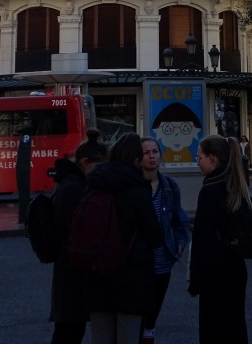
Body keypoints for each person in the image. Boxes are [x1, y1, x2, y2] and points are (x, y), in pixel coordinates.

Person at [83, 132, 163, 344]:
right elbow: (155, 237)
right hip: (131, 278)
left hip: (97, 273)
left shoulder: (94, 184)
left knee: (100, 337)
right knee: (128, 337)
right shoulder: (137, 190)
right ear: (137, 159)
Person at [189, 135, 252, 344]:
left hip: (215, 272)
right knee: (235, 325)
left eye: (199, 157)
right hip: (236, 267)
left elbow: (203, 242)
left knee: (213, 330)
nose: (197, 161)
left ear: (212, 158)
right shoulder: (234, 184)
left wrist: (196, 280)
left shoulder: (209, 191)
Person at [50, 130, 108, 344]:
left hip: (69, 269)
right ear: (85, 162)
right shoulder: (74, 188)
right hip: (72, 270)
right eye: (99, 166)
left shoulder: (68, 183)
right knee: (69, 332)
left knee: (69, 330)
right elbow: (78, 230)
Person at [139, 137, 190, 344]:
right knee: (138, 308)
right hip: (140, 260)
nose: (152, 156)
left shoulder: (169, 186)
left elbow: (180, 219)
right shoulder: (133, 186)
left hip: (163, 259)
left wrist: (179, 245)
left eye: (155, 151)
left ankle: (148, 333)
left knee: (154, 310)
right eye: (146, 152)